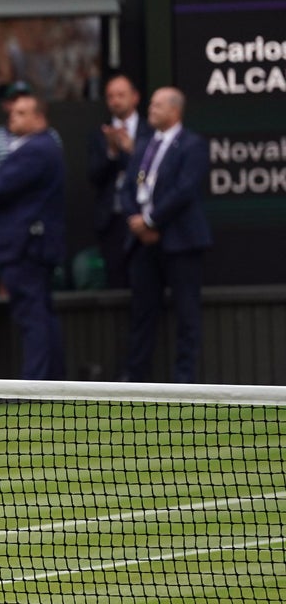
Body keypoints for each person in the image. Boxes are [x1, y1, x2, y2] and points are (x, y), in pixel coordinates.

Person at [0, 93, 66, 380]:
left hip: (26, 248)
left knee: (34, 319)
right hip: (34, 247)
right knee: (43, 316)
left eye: (22, 112)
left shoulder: (36, 149)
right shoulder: (42, 147)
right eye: (13, 112)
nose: (13, 116)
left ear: (39, 118)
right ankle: (56, 384)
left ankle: (35, 387)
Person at [120, 87, 210, 384]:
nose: (151, 108)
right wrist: (137, 221)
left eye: (157, 105)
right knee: (142, 315)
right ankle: (135, 381)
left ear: (175, 110)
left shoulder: (192, 145)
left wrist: (150, 221)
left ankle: (184, 382)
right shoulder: (144, 145)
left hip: (180, 242)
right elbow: (128, 188)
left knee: (186, 315)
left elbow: (184, 191)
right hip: (142, 244)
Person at [87, 73, 152, 289]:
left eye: (121, 95)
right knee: (115, 279)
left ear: (135, 97)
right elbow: (94, 177)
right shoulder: (99, 133)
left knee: (144, 281)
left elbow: (157, 172)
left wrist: (134, 151)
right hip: (111, 218)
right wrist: (112, 153)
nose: (115, 101)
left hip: (144, 218)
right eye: (110, 96)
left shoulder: (150, 130)